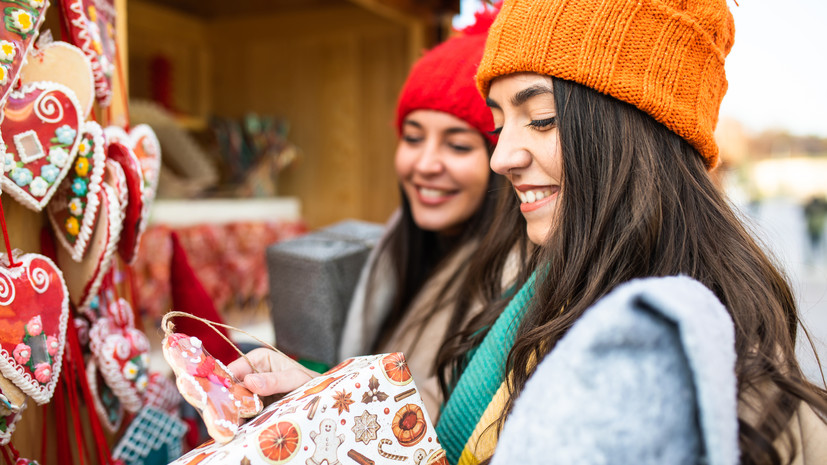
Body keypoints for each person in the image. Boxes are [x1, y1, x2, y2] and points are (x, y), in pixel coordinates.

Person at [432, 0, 827, 464]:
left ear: (639, 133)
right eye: (499, 126)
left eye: (541, 118)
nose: (501, 158)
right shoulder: (538, 292)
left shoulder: (716, 383)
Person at [229, 3, 529, 423]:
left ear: (501, 160)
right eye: (413, 138)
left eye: (458, 145)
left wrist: (322, 400)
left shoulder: (514, 288)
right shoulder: (402, 250)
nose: (425, 163)